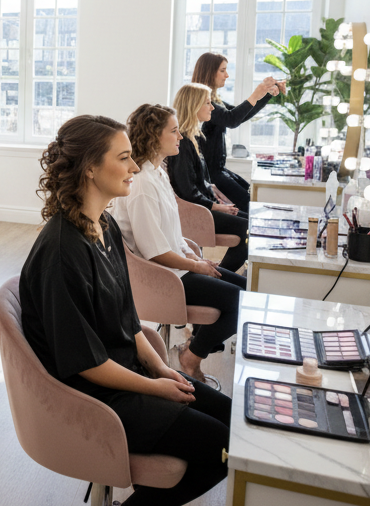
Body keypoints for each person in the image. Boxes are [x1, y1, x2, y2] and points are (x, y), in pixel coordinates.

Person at [20, 115, 229, 506]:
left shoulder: (105, 227)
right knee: (219, 446)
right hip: (92, 397)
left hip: (127, 373)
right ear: (91, 169)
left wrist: (164, 369)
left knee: (232, 421)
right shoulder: (61, 250)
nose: (135, 166)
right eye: (124, 158)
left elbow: (129, 321)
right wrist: (155, 388)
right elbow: (85, 363)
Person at [110, 103, 246, 384]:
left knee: (246, 290)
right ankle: (191, 357)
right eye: (174, 131)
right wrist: (196, 266)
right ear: (154, 136)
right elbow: (155, 252)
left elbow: (171, 234)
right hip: (162, 276)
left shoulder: (158, 173)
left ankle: (192, 350)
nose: (181, 136)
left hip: (177, 268)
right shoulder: (142, 185)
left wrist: (195, 258)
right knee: (241, 301)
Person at [167, 83, 249, 272]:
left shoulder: (193, 137)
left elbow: (194, 180)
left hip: (203, 206)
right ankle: (220, 275)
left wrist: (211, 189)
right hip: (196, 212)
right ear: (193, 106)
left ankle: (221, 273)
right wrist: (217, 206)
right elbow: (187, 191)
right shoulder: (183, 143)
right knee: (247, 228)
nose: (212, 107)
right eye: (207, 103)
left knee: (250, 223)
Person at [191, 52, 283, 212]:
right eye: (222, 70)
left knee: (249, 194)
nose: (227, 75)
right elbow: (231, 119)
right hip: (210, 174)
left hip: (218, 169)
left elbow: (239, 115)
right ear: (209, 72)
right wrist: (256, 94)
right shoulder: (201, 102)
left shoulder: (214, 100)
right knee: (247, 203)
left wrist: (266, 95)